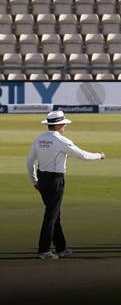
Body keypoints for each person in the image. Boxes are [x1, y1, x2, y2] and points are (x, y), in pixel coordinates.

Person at [27, 110, 105, 260]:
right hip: (55, 180)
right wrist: (99, 155)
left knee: (55, 214)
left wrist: (34, 180)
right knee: (51, 215)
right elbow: (82, 155)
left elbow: (30, 162)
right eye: (63, 124)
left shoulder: (39, 139)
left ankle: (61, 248)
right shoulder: (61, 141)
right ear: (59, 125)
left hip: (42, 178)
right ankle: (43, 250)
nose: (65, 126)